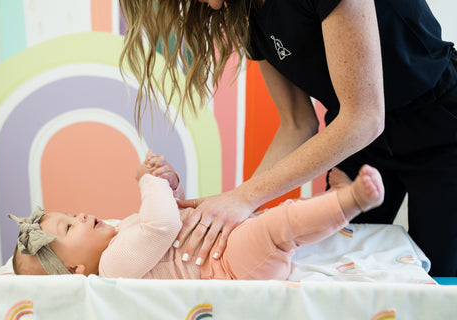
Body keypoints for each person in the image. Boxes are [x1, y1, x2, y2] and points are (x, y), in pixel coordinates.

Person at [118, 0, 457, 276]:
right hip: (359, 145)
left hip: (441, 128)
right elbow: (297, 124)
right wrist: (238, 206)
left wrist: (245, 197)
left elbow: (366, 117)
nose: (204, 5)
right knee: (337, 271)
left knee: (441, 276)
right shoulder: (248, 16)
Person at [9, 151, 384, 279]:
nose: (82, 214)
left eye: (71, 214)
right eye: (70, 225)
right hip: (230, 266)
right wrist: (146, 181)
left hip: (225, 246)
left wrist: (169, 185)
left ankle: (335, 204)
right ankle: (348, 201)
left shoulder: (120, 232)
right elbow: (164, 225)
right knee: (280, 224)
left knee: (284, 222)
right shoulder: (112, 267)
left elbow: (171, 218)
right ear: (76, 269)